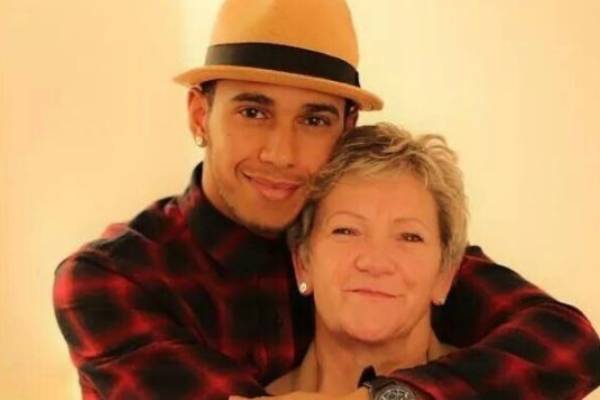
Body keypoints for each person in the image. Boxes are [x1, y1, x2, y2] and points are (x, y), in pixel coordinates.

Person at [53, 1, 600, 399]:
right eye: (253, 111)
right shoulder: (113, 279)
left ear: (346, 128)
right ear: (200, 115)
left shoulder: (377, 250)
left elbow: (566, 344)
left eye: (314, 120)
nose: (281, 153)